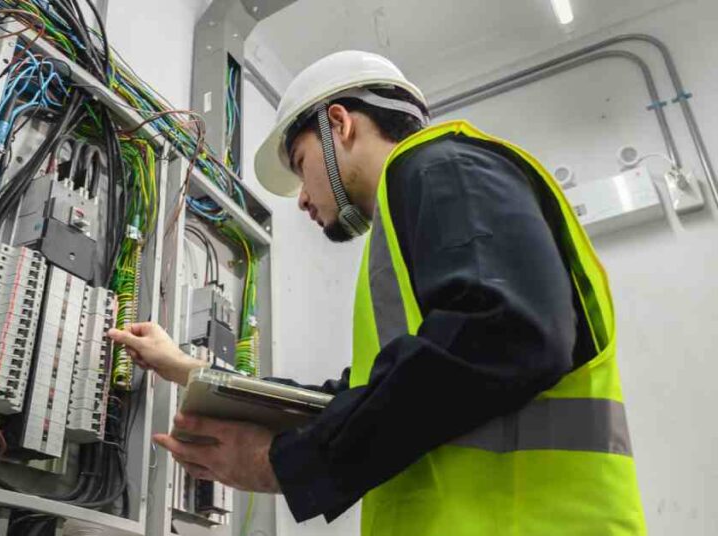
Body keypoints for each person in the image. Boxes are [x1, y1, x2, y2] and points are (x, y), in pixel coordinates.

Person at [107, 51, 646, 535]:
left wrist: (288, 465)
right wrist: (186, 370)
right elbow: (364, 394)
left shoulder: (443, 166)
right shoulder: (412, 209)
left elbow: (503, 331)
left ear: (339, 124)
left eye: (300, 164)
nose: (301, 199)